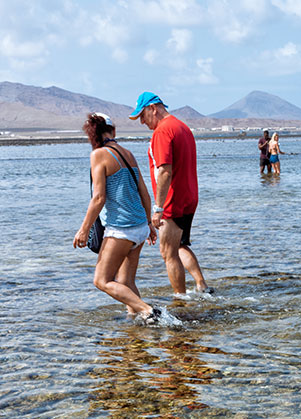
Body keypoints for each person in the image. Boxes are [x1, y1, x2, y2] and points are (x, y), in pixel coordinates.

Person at [73, 113, 160, 323]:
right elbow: (144, 192)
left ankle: (148, 310)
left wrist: (84, 229)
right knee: (126, 281)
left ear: (92, 134)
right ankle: (135, 326)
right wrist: (148, 224)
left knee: (102, 280)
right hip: (139, 226)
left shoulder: (99, 155)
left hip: (122, 228)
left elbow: (99, 198)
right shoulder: (128, 153)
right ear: (113, 131)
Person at [130, 91, 212, 296]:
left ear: (153, 109)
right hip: (190, 197)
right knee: (180, 245)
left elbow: (165, 171)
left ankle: (180, 299)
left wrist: (157, 209)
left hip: (171, 201)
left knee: (168, 253)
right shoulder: (183, 127)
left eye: (142, 116)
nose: (142, 122)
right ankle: (202, 286)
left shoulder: (162, 131)